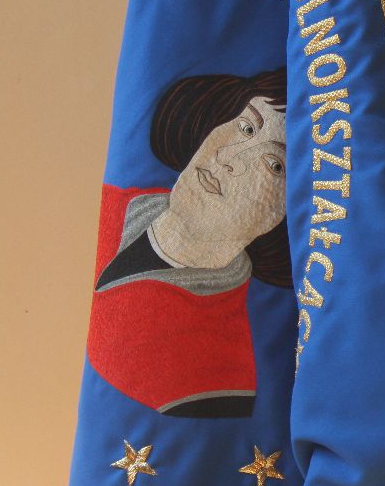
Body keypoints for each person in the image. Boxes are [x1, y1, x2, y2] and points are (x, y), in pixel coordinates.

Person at [87, 70, 291, 418]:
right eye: (247, 128)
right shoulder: (113, 201)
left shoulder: (216, 378)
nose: (229, 157)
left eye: (274, 165)